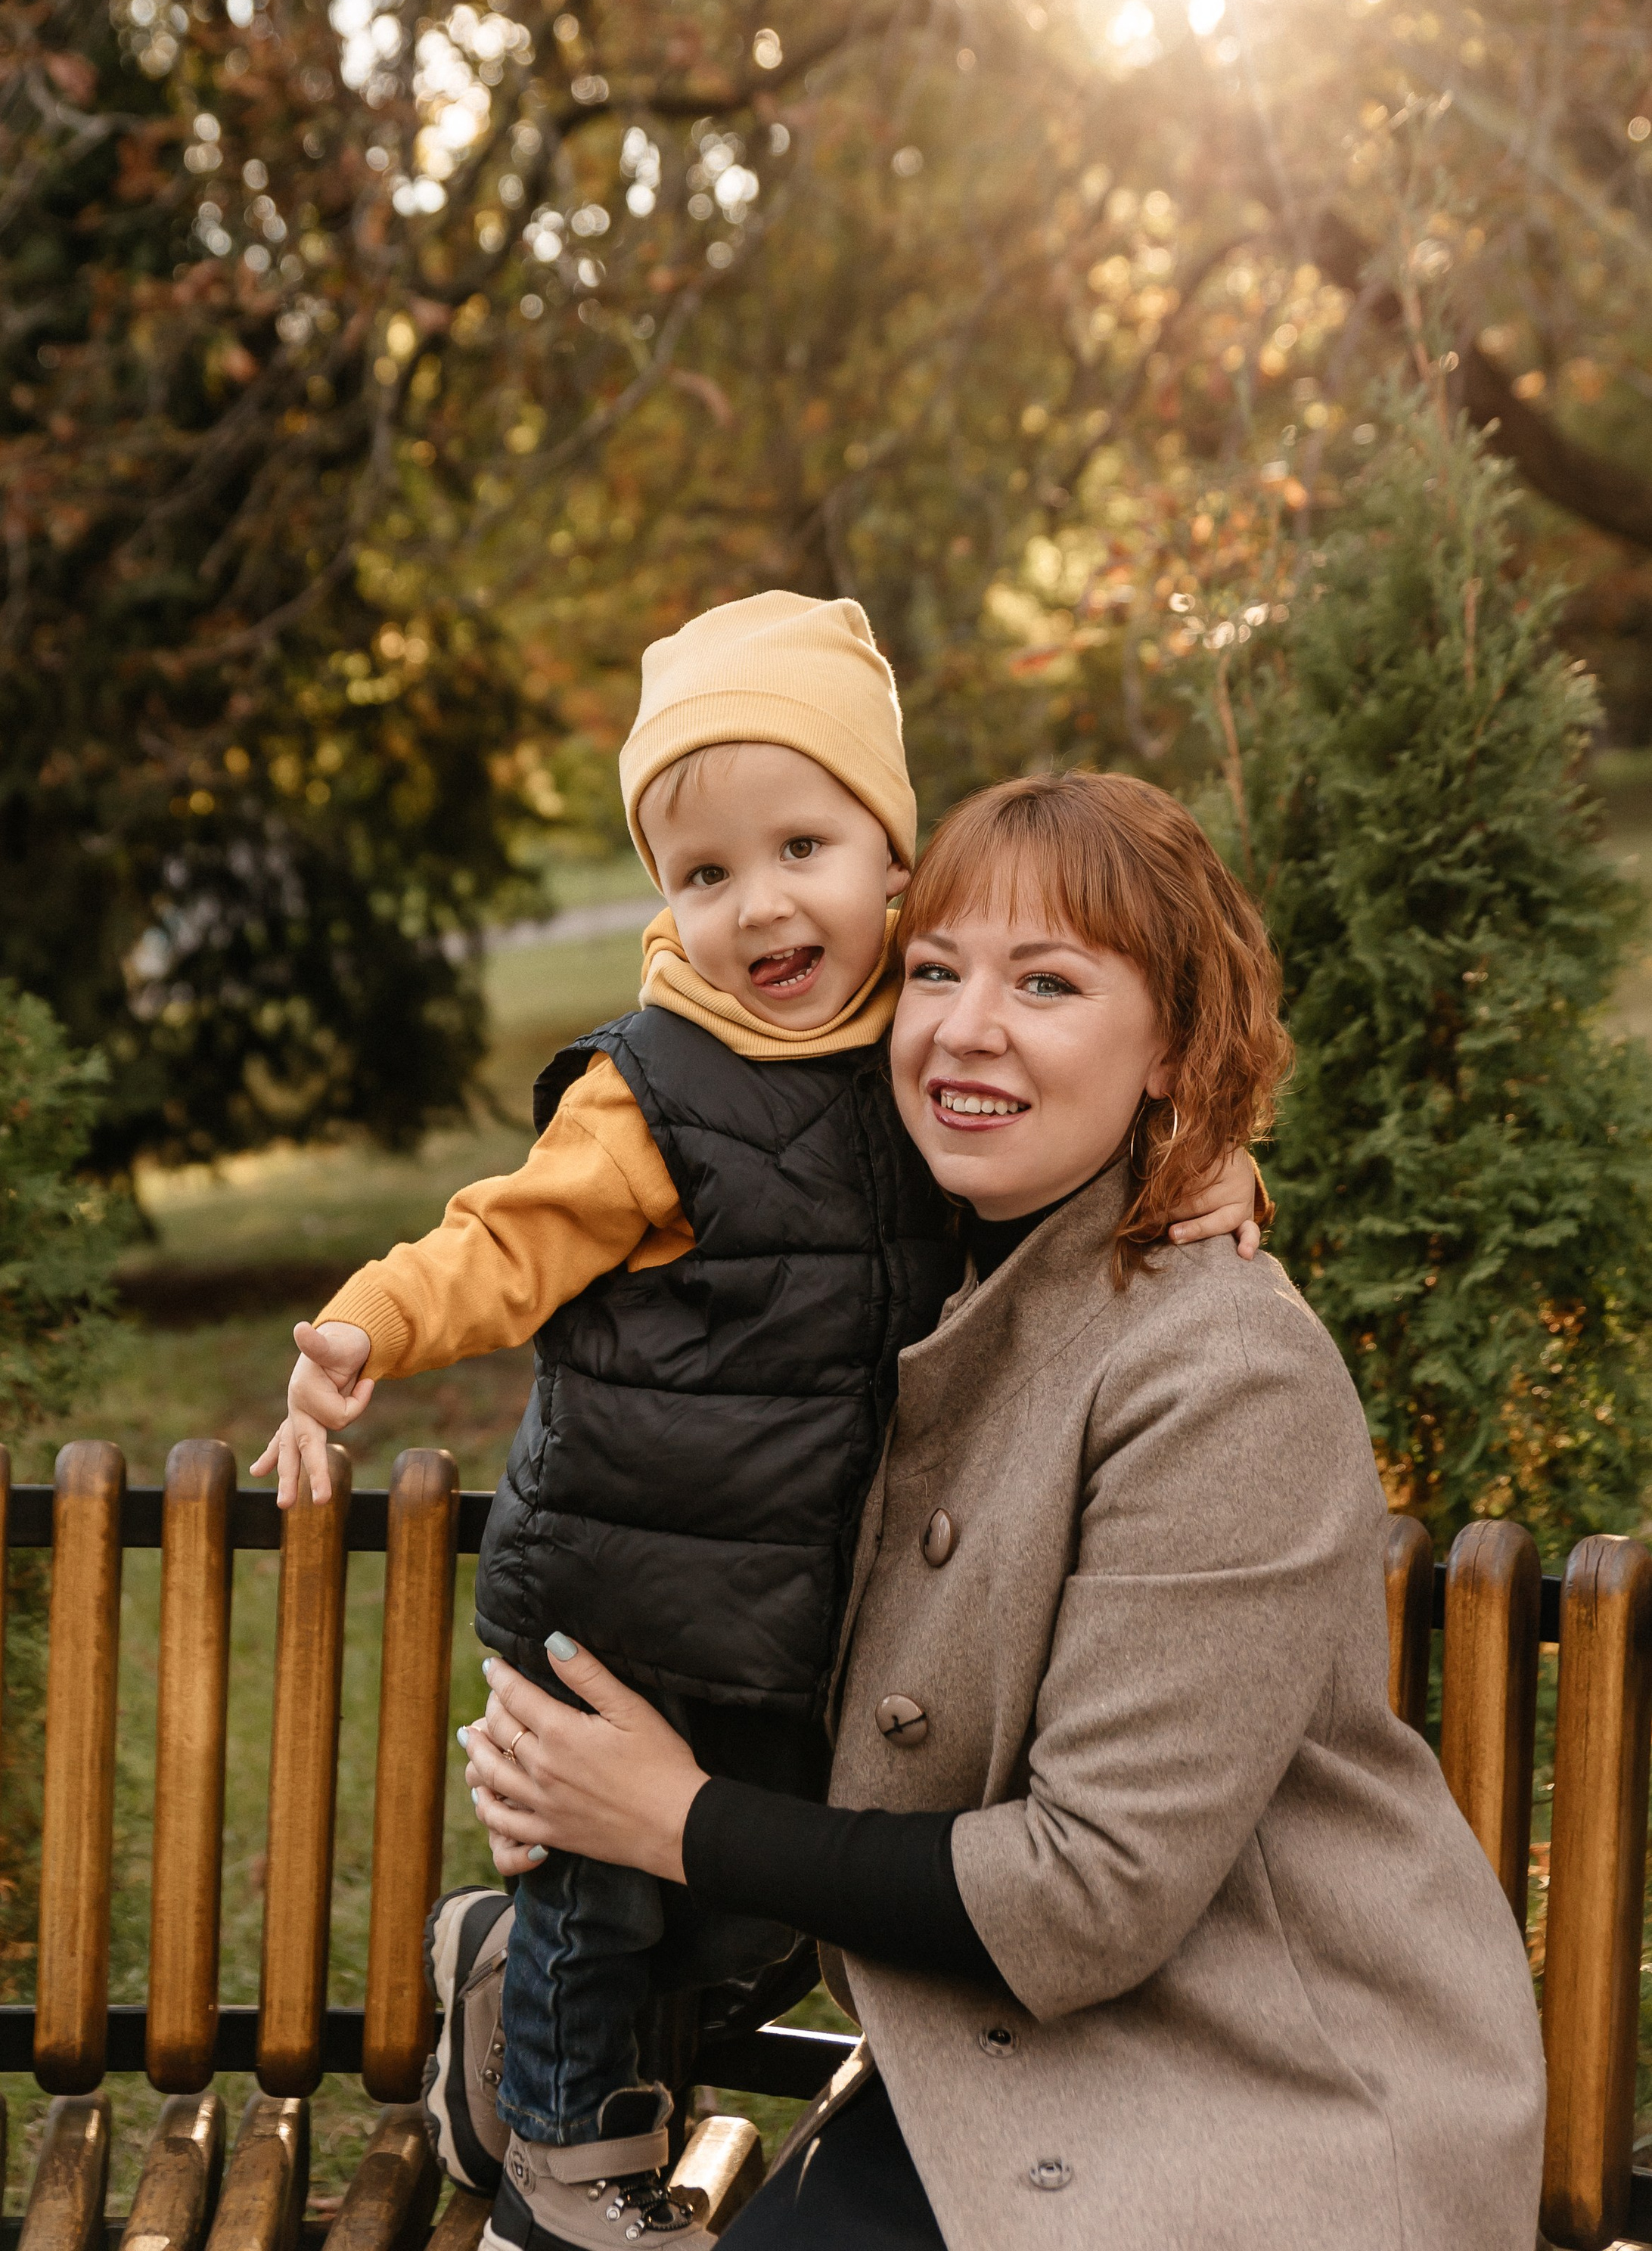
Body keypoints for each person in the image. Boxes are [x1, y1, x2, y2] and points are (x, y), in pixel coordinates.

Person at [255, 619, 1262, 2251]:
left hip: (804, 1598)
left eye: (803, 848)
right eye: (705, 872)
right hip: (626, 1581)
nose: (760, 904)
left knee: (734, 1925)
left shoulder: (921, 1049)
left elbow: (1071, 1171)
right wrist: (364, 1325)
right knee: (598, 1895)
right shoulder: (651, 1090)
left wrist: (1209, 1167)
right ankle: (564, 2169)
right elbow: (500, 1242)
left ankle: (497, 1993)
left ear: (891, 857)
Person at [461, 772, 1547, 2251]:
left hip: (1263, 2107)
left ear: (1171, 1045)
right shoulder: (884, 1280)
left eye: (1046, 982)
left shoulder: (1224, 1371)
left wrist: (671, 1821)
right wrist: (572, 1800)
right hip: (982, 2073)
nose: (967, 1025)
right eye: (931, 972)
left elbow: (1087, 1894)